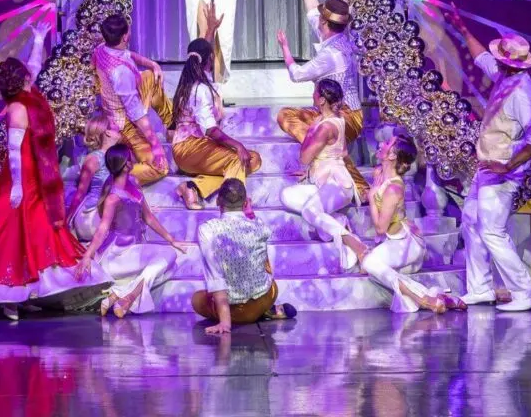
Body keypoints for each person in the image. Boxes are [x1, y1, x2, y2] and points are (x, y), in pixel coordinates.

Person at [0, 22, 107, 320]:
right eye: (26, 76)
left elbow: (32, 66)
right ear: (20, 83)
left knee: (37, 227)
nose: (31, 77)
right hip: (21, 176)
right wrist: (17, 186)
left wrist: (39, 38)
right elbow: (15, 154)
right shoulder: (18, 109)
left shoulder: (27, 94)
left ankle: (29, 288)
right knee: (11, 229)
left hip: (36, 174)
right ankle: (10, 297)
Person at [449, 5, 531, 311]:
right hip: (486, 169)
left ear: (512, 64)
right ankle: (480, 288)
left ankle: (524, 291)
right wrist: (462, 28)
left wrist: (508, 165)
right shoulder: (506, 77)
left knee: (492, 230)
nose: (497, 63)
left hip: (503, 173)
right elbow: (482, 59)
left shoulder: (520, 93)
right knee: (471, 221)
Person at [276, 0, 369, 201]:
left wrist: (285, 48)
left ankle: (359, 185)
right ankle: (322, 146)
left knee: (329, 141)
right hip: (333, 111)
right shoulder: (337, 37)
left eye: (320, 20)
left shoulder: (330, 55)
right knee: (287, 115)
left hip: (346, 115)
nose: (316, 21)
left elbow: (297, 75)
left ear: (326, 25)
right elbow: (311, 12)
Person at [343, 136, 466, 313]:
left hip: (407, 245)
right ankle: (440, 298)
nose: (381, 144)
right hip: (393, 243)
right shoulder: (379, 175)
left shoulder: (394, 188)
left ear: (392, 156)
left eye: (387, 143)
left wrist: (371, 198)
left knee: (370, 264)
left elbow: (380, 228)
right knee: (370, 269)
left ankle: (423, 300)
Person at [74, 144, 185, 317]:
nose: (133, 157)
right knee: (168, 258)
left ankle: (119, 294)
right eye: (130, 156)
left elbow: (148, 217)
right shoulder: (113, 197)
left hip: (134, 250)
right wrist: (88, 256)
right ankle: (129, 295)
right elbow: (102, 229)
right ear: (125, 163)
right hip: (117, 255)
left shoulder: (133, 183)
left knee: (170, 264)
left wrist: (171, 239)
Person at [192, 178, 297, 334]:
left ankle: (247, 315)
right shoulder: (259, 225)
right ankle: (264, 311)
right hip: (268, 295)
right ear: (246, 202)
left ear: (218, 201)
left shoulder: (208, 230)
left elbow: (216, 278)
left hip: (238, 312)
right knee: (261, 252)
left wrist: (225, 323)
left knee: (197, 300)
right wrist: (249, 213)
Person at [172, 37, 261, 209]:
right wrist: (237, 145)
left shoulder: (188, 84)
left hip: (190, 148)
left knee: (253, 159)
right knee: (238, 159)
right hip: (189, 149)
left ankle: (193, 187)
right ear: (210, 59)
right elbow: (210, 130)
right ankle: (234, 206)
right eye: (212, 57)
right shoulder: (200, 89)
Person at [280, 78, 359, 272]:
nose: (313, 95)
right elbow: (338, 153)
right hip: (322, 181)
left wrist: (310, 132)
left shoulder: (325, 126)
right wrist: (311, 171)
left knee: (310, 212)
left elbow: (305, 157)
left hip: (337, 185)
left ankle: (354, 243)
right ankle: (339, 221)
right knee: (287, 195)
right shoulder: (329, 119)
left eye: (316, 92)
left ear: (322, 100)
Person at [92, 14, 173, 186]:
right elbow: (137, 116)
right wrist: (156, 147)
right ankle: (110, 176)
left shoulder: (102, 48)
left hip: (123, 100)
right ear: (125, 37)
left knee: (152, 76)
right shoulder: (121, 73)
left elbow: (129, 55)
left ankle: (172, 125)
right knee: (160, 167)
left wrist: (153, 64)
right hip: (125, 123)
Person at [65, 113, 112, 241]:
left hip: (110, 210)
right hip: (92, 214)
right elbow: (80, 192)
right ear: (107, 133)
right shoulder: (93, 159)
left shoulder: (118, 155)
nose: (120, 128)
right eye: (114, 127)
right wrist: (67, 221)